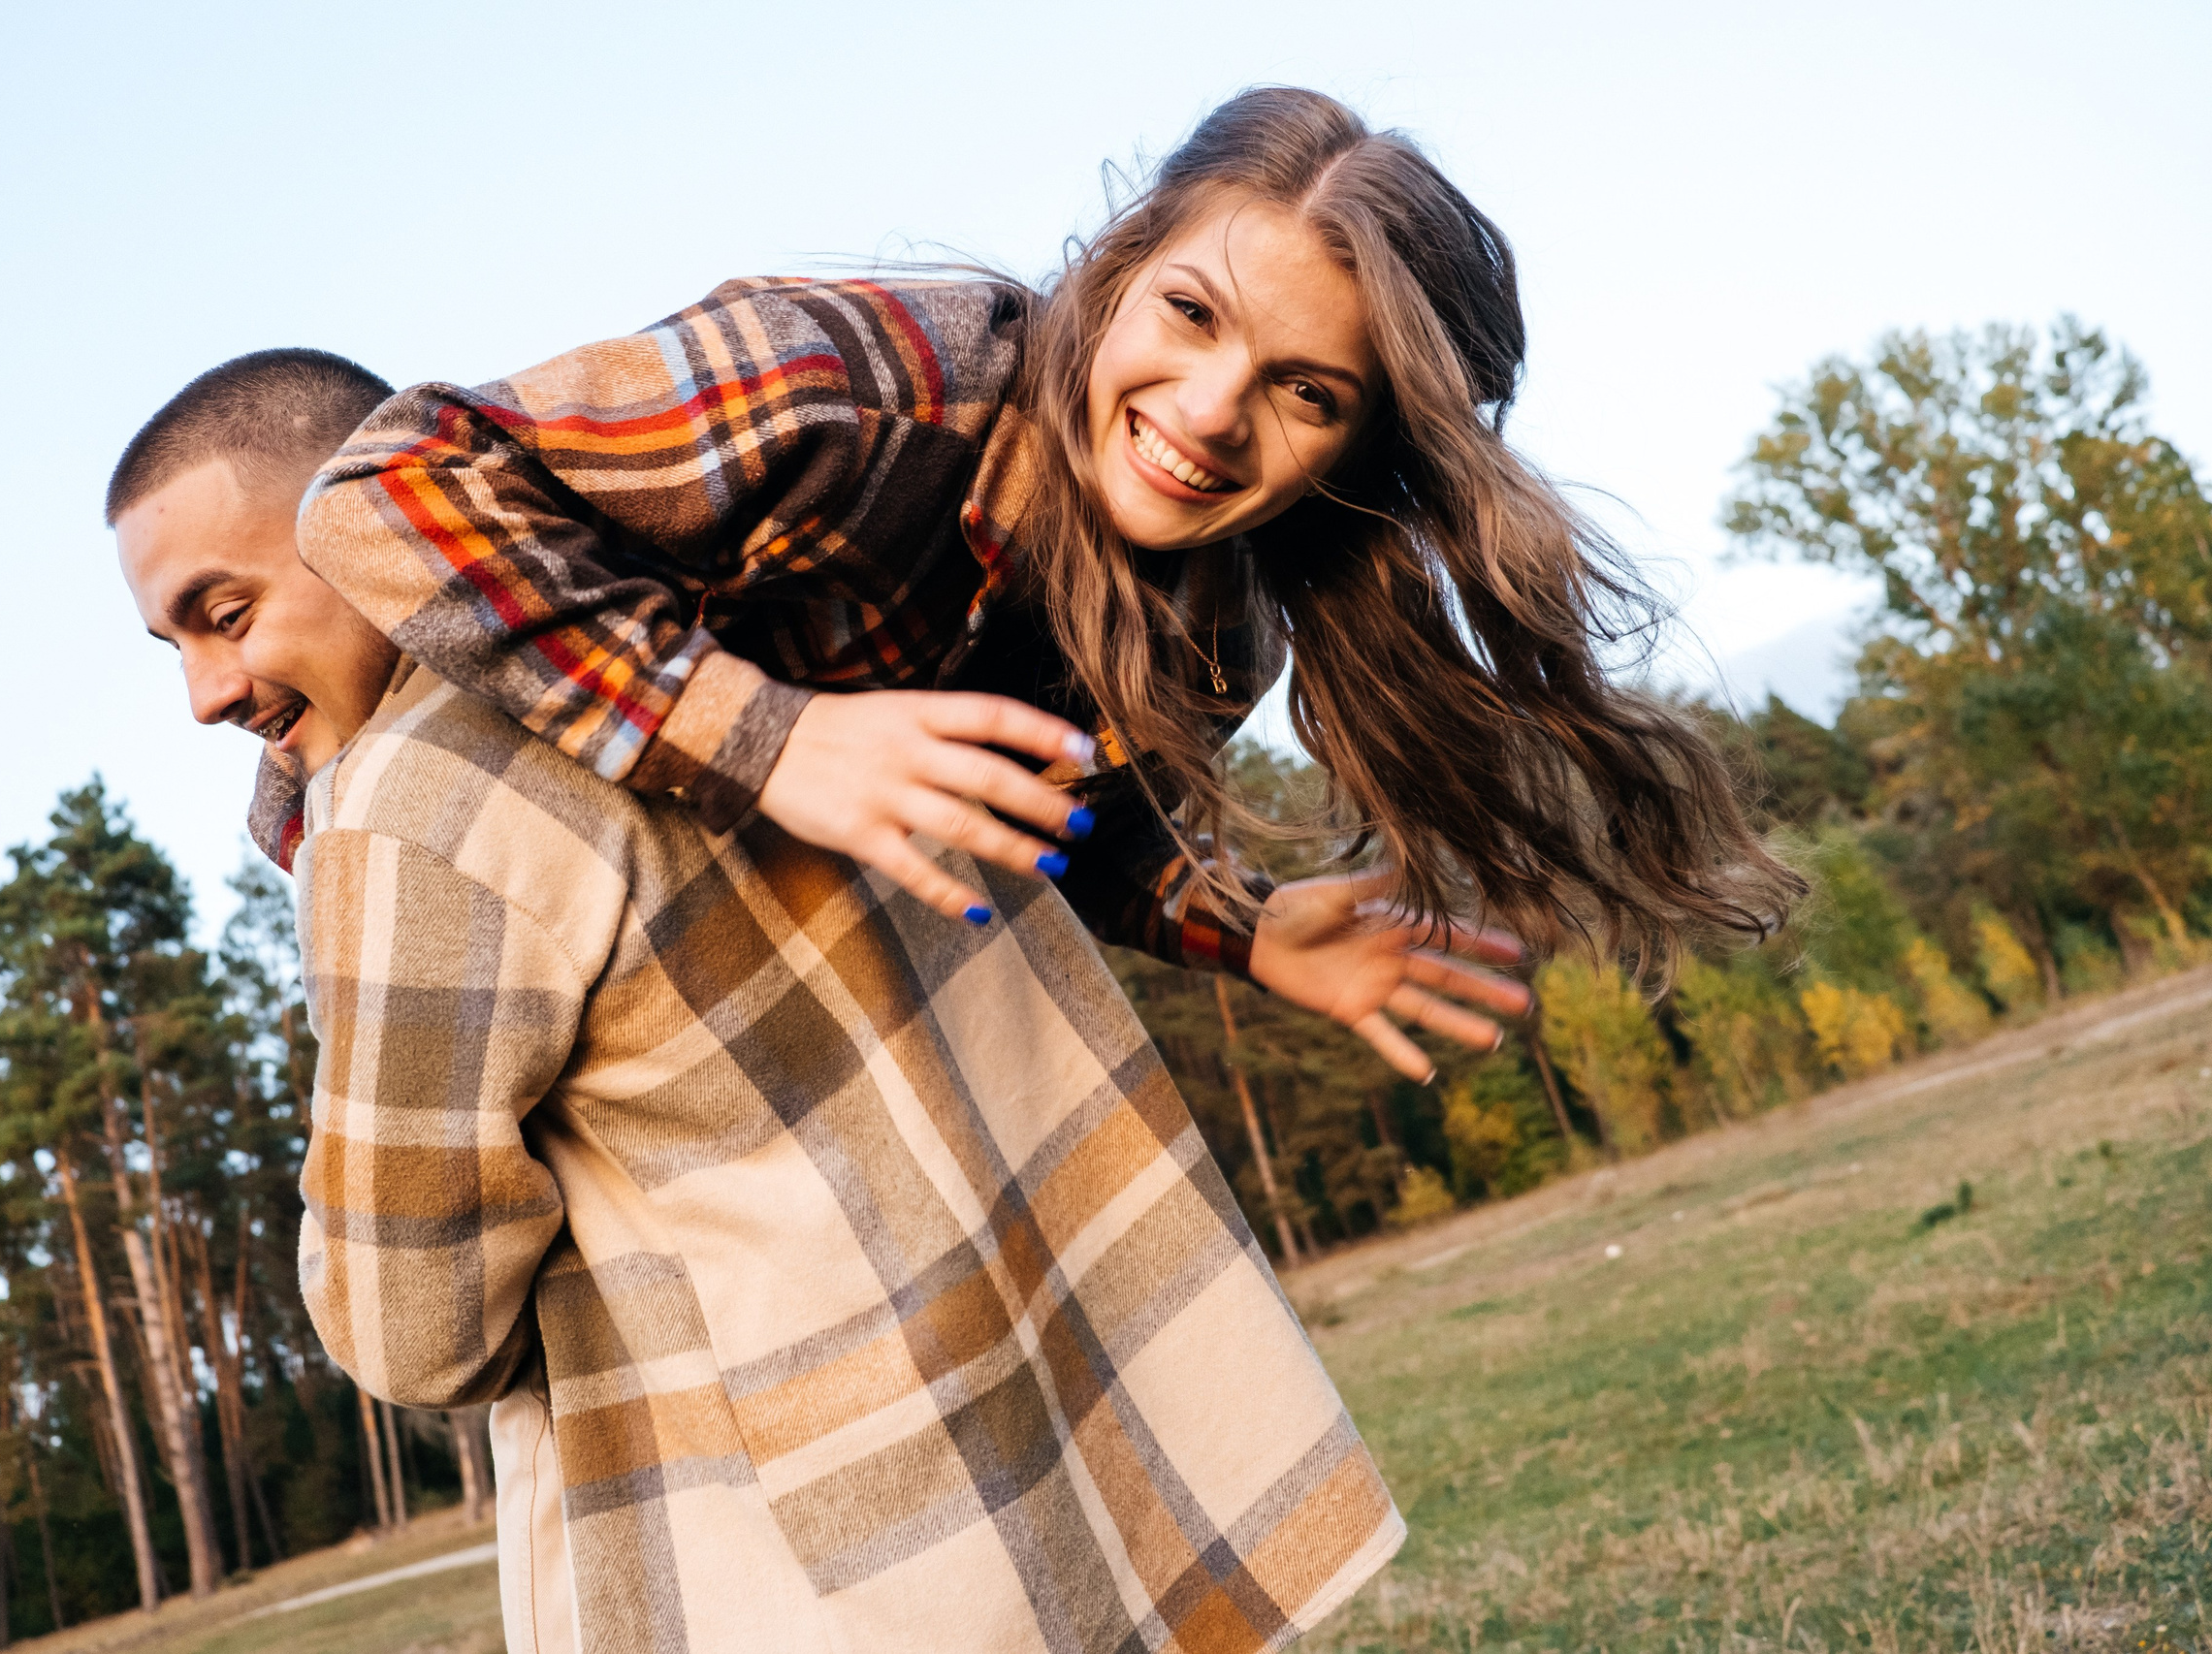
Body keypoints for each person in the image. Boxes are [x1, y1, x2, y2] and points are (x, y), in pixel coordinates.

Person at [113, 352, 1416, 1652]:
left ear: (358, 515)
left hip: (809, 1554)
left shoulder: (407, 811)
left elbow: (413, 1331)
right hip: (1083, 1411)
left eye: (226, 613)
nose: (206, 694)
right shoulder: (768, 584)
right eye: (175, 647)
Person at [271, 86, 1801, 1096]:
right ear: (1120, 270)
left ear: (1360, 453)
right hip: (446, 890)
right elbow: (383, 480)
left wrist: (1245, 928)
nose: (1210, 412)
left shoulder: (1221, 628)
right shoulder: (857, 388)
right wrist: (767, 734)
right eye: (1190, 313)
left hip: (712, 1005)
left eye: (1306, 393)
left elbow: (1064, 828)